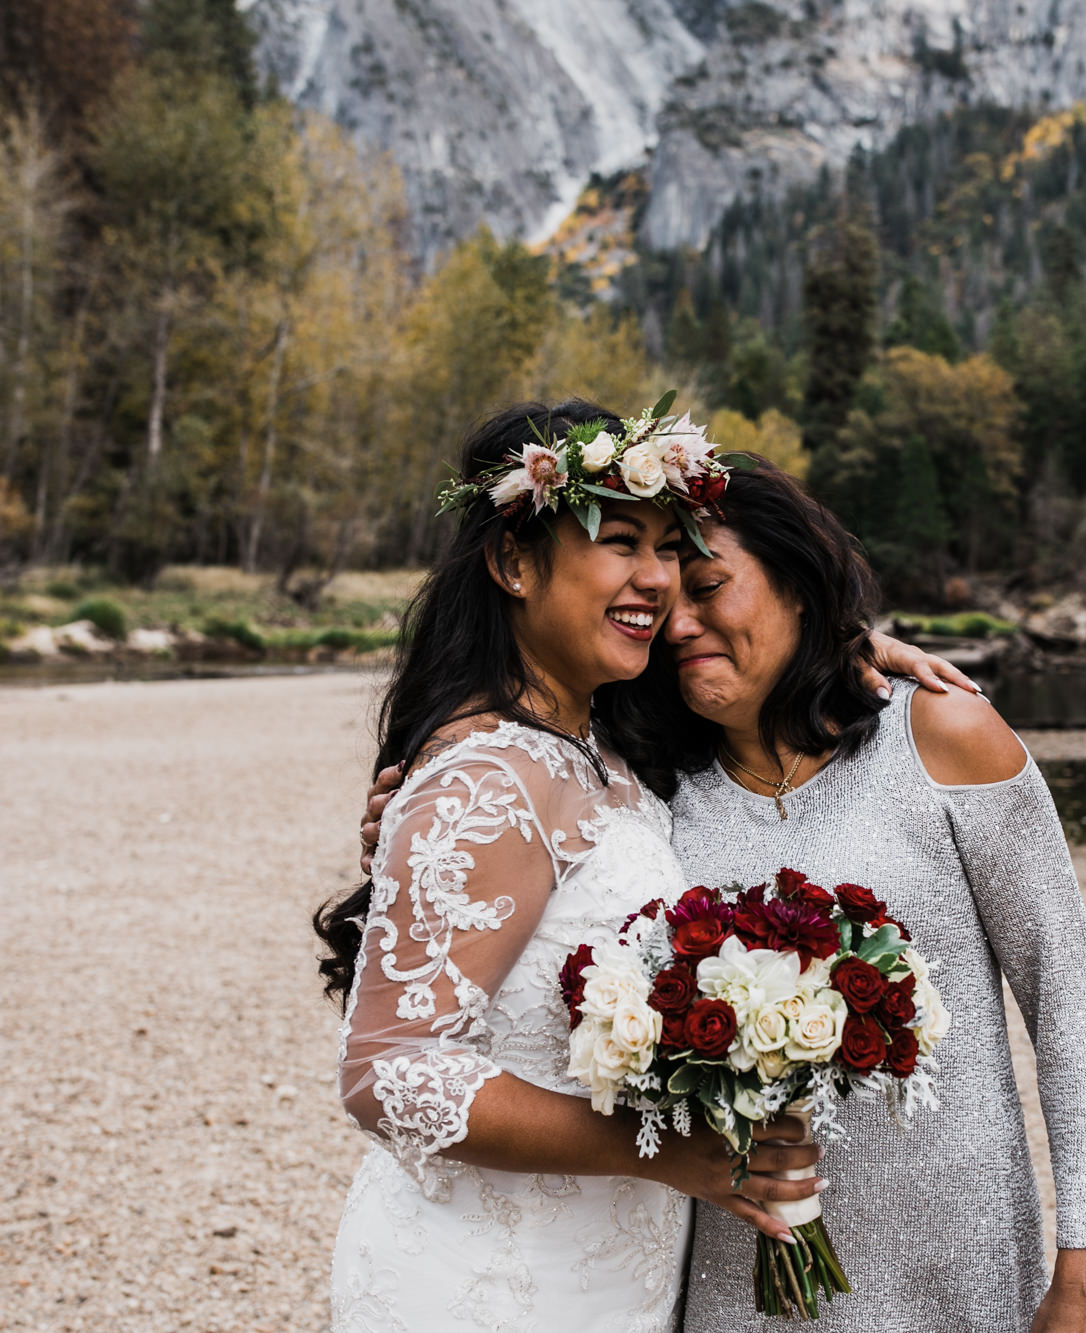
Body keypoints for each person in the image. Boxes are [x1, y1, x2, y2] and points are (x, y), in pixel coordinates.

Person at [318, 404, 955, 1332]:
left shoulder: (606, 743)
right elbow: (387, 1071)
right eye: (620, 540)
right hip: (487, 1282)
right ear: (512, 563)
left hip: (609, 1272)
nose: (656, 579)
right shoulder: (490, 775)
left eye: (669, 547)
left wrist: (839, 643)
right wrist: (658, 1150)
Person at [612, 460, 1086, 1332]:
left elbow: (1068, 998)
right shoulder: (649, 793)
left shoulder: (942, 736)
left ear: (802, 588)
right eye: (664, 607)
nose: (679, 626)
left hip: (955, 1267)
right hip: (741, 1279)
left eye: (708, 588)